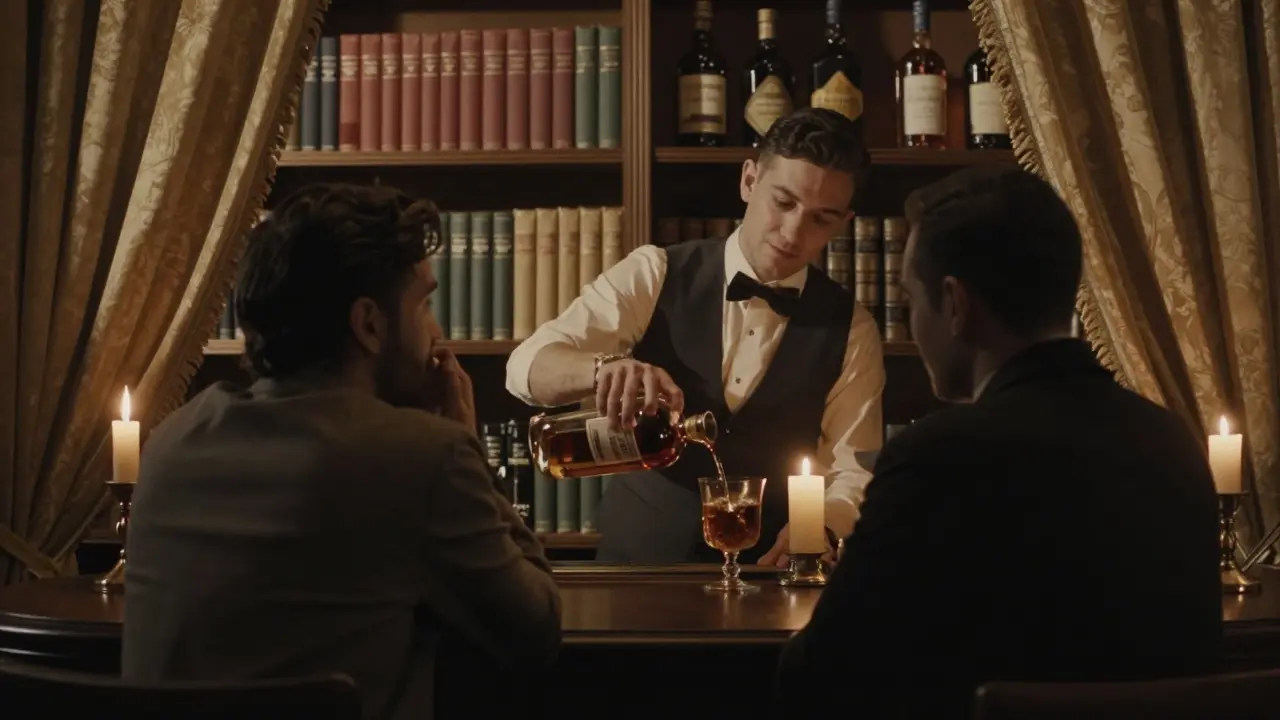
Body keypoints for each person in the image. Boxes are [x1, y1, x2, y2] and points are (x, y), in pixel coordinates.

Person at [776, 166, 1222, 717]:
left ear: (955, 304)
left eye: (912, 299)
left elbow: (820, 675)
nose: (914, 324)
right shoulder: (1171, 439)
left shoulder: (938, 457)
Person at [122, 183, 561, 720]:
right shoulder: (425, 457)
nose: (437, 332)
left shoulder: (171, 442)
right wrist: (466, 439)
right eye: (424, 304)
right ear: (369, 324)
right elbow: (537, 628)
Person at [505, 108, 884, 565]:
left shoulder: (852, 328)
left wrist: (822, 525)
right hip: (636, 567)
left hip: (766, 577)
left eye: (821, 219)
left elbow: (854, 468)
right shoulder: (654, 271)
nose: (793, 232)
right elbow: (524, 368)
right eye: (783, 202)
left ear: (844, 221)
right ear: (749, 180)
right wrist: (604, 368)